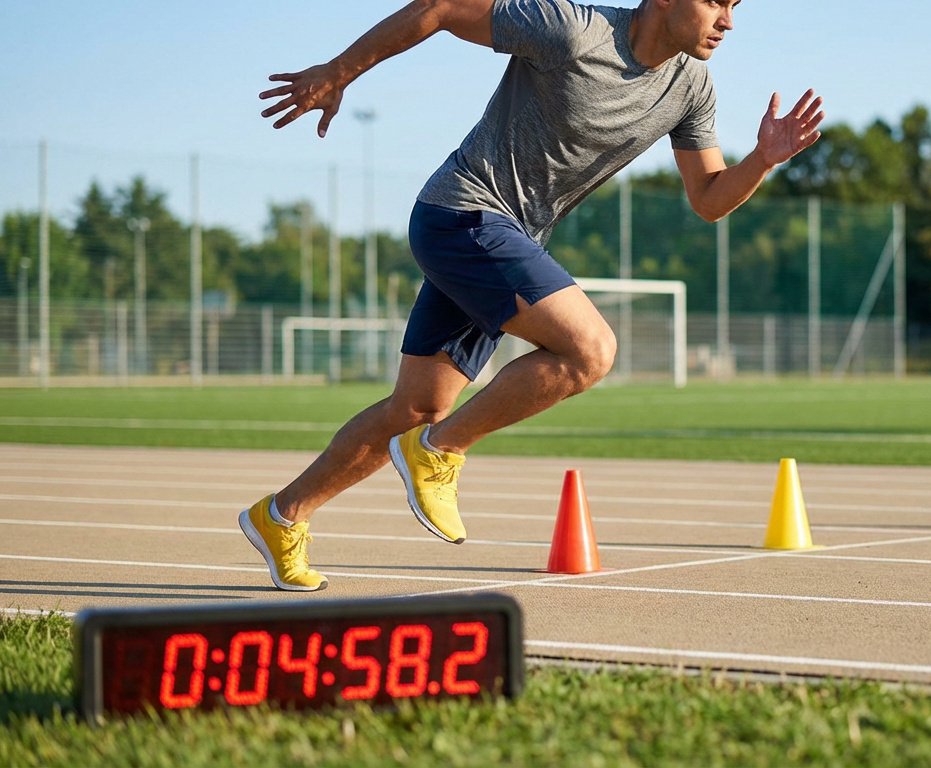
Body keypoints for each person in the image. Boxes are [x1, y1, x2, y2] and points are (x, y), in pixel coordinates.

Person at [240, 0, 824, 591]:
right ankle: (438, 453)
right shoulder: (573, 30)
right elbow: (442, 7)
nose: (727, 21)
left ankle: (282, 515)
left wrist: (762, 160)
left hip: (505, 238)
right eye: (716, 2)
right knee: (590, 350)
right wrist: (338, 73)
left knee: (414, 411)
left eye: (734, 7)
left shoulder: (691, 86)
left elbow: (709, 198)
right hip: (462, 215)